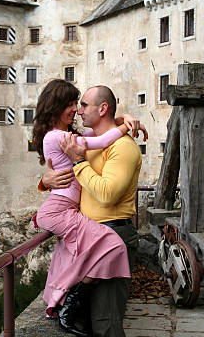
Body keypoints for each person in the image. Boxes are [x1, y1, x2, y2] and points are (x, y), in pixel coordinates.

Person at [32, 79, 145, 337]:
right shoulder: (82, 141)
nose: (79, 110)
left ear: (102, 109)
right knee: (86, 321)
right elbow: (65, 176)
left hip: (111, 234)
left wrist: (79, 163)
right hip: (89, 234)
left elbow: (105, 193)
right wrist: (43, 182)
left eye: (82, 104)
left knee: (105, 323)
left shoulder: (122, 147)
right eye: (74, 104)